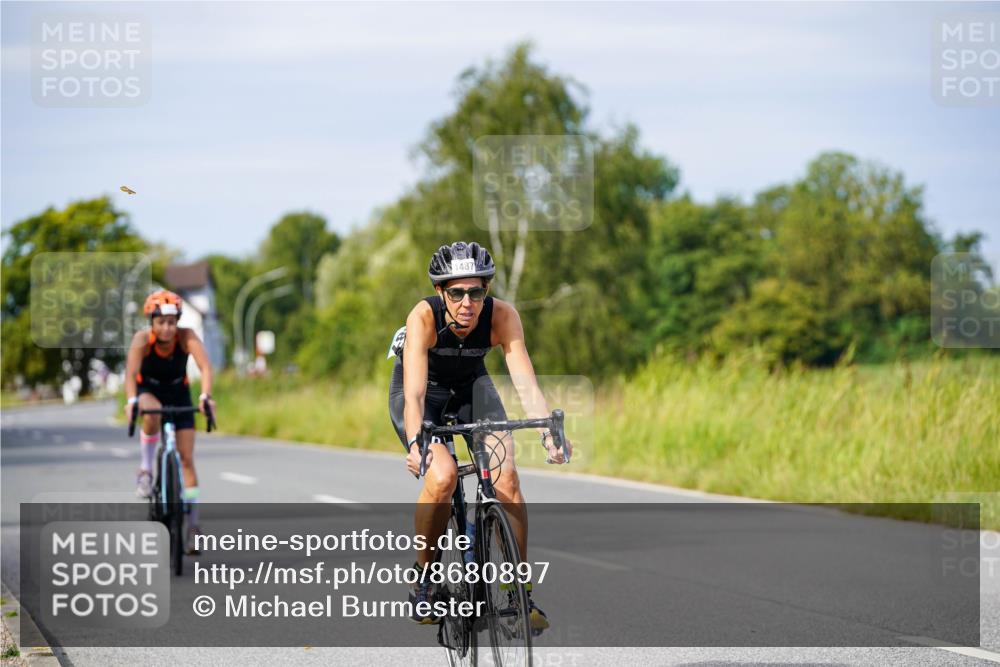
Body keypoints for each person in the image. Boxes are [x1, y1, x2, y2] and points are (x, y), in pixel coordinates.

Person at [388, 241, 571, 632]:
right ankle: (425, 579)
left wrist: (546, 432)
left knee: (507, 477)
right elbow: (415, 394)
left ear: (487, 290)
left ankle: (518, 589)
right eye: (457, 292)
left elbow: (526, 384)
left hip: (473, 388)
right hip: (424, 394)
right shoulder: (423, 317)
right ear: (441, 292)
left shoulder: (502, 316)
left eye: (476, 291)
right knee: (442, 477)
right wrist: (419, 442)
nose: (467, 302)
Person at [124, 289, 216, 553]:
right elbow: (130, 375)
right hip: (149, 392)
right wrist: (131, 401)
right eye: (161, 322)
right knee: (151, 411)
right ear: (151, 322)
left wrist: (205, 396)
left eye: (172, 322)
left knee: (187, 459)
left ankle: (194, 526)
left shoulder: (187, 337)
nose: (167, 328)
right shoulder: (142, 340)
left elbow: (206, 368)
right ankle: (146, 469)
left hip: (178, 392)